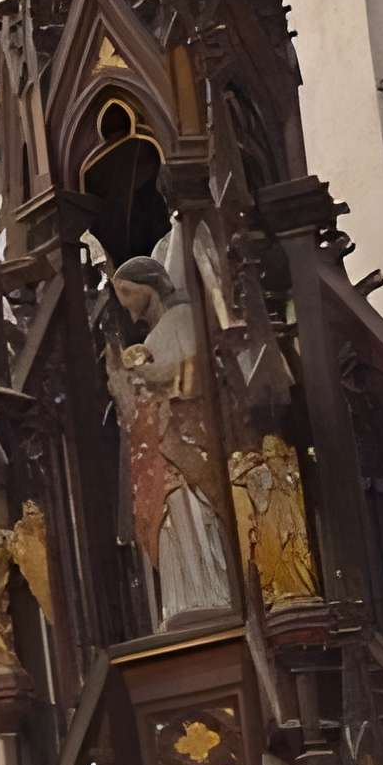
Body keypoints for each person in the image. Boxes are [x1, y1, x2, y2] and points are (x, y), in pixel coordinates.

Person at [107, 241, 238, 624]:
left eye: (127, 295)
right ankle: (187, 599)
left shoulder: (182, 321)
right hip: (164, 450)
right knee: (172, 521)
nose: (127, 308)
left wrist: (143, 377)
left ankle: (209, 592)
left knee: (193, 514)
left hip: (187, 443)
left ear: (146, 288)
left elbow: (196, 377)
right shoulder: (156, 335)